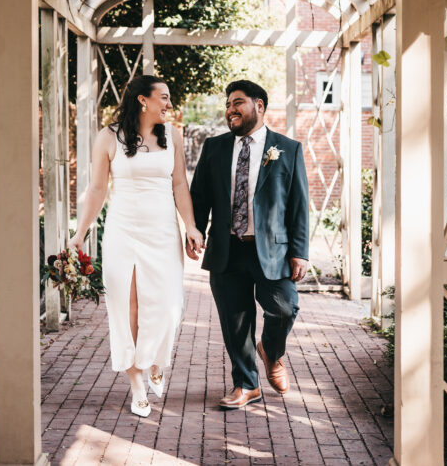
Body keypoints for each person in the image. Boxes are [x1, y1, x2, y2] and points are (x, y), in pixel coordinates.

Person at [72, 75, 205, 418]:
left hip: (162, 231)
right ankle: (137, 386)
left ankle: (156, 359)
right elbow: (97, 189)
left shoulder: (173, 136)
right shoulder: (108, 137)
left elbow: (179, 184)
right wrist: (80, 232)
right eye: (164, 97)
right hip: (123, 231)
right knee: (127, 307)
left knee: (169, 305)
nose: (169, 104)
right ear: (143, 100)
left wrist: (190, 225)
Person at [189, 80, 310, 409]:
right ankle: (246, 384)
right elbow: (199, 196)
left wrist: (299, 252)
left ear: (259, 105)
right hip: (226, 249)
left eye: (238, 102)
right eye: (228, 104)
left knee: (285, 308)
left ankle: (271, 350)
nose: (231, 109)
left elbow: (299, 204)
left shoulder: (287, 149)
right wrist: (194, 230)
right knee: (236, 322)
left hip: (272, 250)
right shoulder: (214, 147)